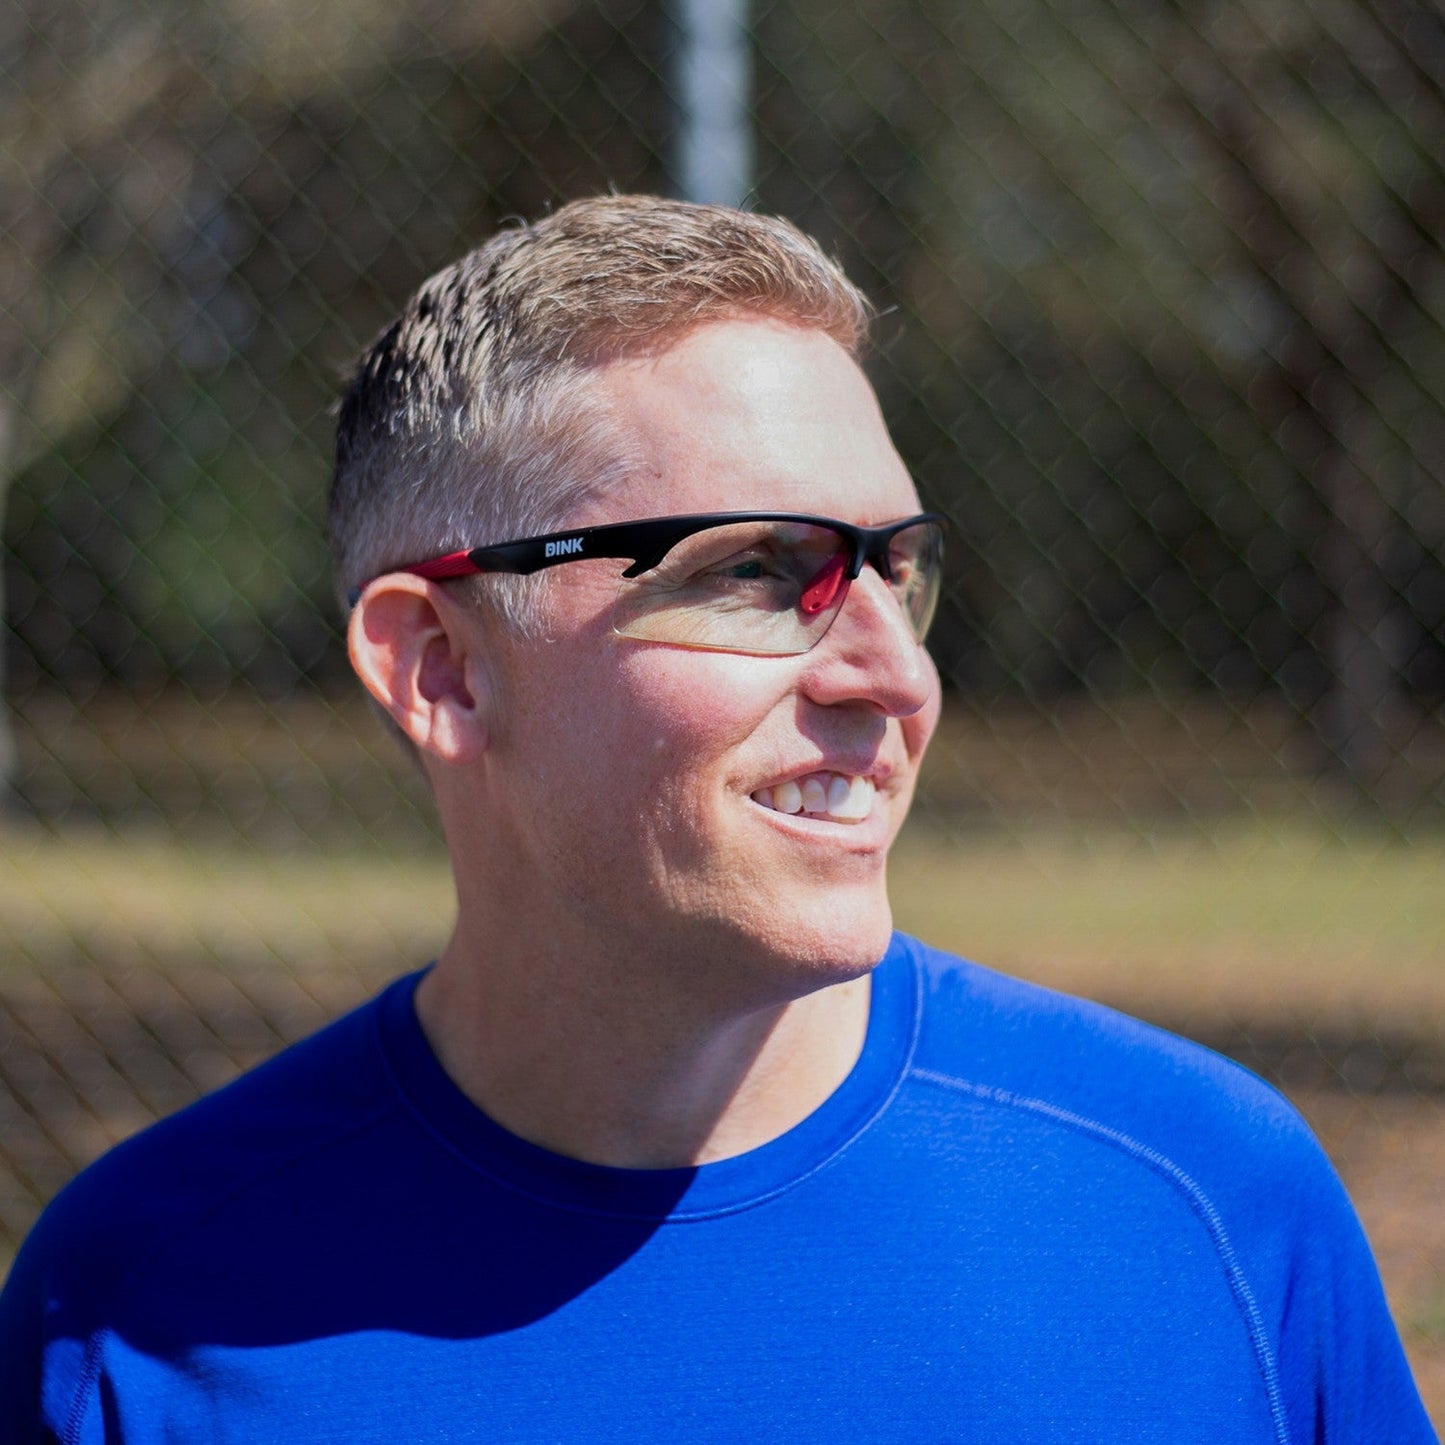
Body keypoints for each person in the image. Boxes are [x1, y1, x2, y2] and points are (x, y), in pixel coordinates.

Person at [0, 195, 1433, 1443]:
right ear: (441, 668)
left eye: (897, 570)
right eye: (757, 570)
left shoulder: (1201, 1207)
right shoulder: (141, 1307)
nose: (895, 673)